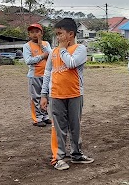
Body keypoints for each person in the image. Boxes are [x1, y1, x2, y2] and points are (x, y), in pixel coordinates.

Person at [39, 18, 94, 170]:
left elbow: (71, 63)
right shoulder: (54, 52)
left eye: (60, 34)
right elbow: (48, 72)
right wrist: (44, 94)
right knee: (58, 127)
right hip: (56, 95)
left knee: (75, 126)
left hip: (75, 93)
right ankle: (58, 157)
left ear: (71, 34)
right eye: (56, 34)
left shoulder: (80, 49)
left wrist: (63, 49)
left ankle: (76, 154)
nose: (58, 38)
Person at [22, 23, 52, 127]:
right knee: (36, 97)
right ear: (29, 34)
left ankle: (45, 116)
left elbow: (51, 56)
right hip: (34, 76)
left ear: (41, 33)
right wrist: (42, 56)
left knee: (46, 96)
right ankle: (37, 118)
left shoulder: (46, 44)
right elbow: (28, 60)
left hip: (46, 75)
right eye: (32, 32)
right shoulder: (27, 46)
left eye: (37, 31)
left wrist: (41, 45)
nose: (35, 34)